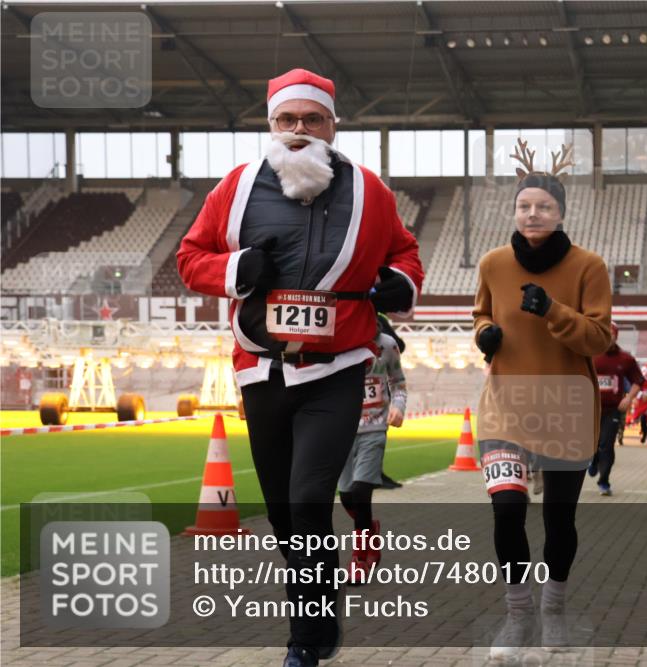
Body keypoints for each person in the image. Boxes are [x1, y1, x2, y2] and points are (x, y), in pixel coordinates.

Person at [177, 68, 423, 667]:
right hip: (261, 372)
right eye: (287, 119)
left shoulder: (369, 190)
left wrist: (400, 284)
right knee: (285, 515)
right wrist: (236, 270)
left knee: (310, 499)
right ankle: (322, 596)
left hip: (336, 369)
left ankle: (303, 645)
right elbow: (190, 258)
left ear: (332, 126)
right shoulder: (234, 188)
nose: (298, 131)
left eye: (312, 119)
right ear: (271, 124)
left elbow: (405, 252)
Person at [473, 140, 612, 660]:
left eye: (544, 207)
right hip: (504, 407)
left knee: (559, 520)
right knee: (507, 512)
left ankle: (554, 609)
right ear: (515, 210)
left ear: (560, 214)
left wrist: (553, 310)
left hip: (567, 409)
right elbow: (481, 316)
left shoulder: (589, 266)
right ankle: (518, 616)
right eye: (525, 205)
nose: (534, 214)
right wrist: (485, 334)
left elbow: (599, 338)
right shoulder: (492, 263)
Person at [338, 314, 407, 585]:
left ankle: (359, 558)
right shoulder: (338, 340)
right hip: (341, 430)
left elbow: (399, 383)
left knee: (361, 492)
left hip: (374, 429)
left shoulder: (387, 345)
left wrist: (398, 407)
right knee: (346, 497)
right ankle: (370, 531)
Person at [589, 322, 644, 495]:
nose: (608, 337)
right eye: (605, 334)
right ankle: (593, 459)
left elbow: (639, 381)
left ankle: (604, 481)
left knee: (607, 445)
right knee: (592, 445)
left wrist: (628, 398)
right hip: (589, 409)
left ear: (616, 336)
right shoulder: (588, 355)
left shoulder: (625, 359)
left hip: (612, 410)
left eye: (611, 334)